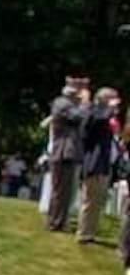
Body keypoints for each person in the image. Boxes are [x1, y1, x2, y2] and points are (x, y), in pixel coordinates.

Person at [45, 74, 90, 231]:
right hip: (63, 153)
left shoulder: (66, 103)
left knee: (64, 191)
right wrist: (85, 102)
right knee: (61, 192)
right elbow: (78, 117)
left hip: (67, 153)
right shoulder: (62, 104)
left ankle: (58, 220)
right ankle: (55, 222)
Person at [79, 86, 119, 244]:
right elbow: (93, 123)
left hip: (104, 163)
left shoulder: (105, 114)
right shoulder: (93, 111)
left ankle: (90, 232)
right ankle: (83, 232)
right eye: (112, 98)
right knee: (89, 200)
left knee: (98, 200)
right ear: (103, 99)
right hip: (93, 163)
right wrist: (109, 108)